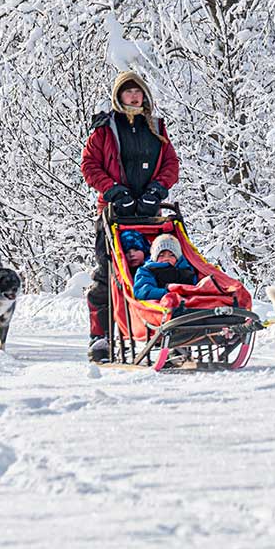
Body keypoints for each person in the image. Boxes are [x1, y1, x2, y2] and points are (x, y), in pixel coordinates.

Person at [81, 70, 179, 361]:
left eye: (138, 92)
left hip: (150, 215)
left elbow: (171, 164)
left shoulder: (156, 128)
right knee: (109, 273)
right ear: (118, 96)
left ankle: (165, 328)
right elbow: (89, 165)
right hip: (114, 214)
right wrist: (113, 190)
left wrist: (157, 189)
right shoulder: (105, 129)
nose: (134, 97)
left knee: (159, 269)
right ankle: (101, 337)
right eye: (128, 92)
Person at [133, 234, 197, 301]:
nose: (166, 258)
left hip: (189, 302)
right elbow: (143, 291)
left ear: (178, 258)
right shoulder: (146, 270)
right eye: (161, 255)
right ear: (155, 257)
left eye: (172, 255)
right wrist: (168, 293)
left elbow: (194, 287)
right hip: (161, 302)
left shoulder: (186, 269)